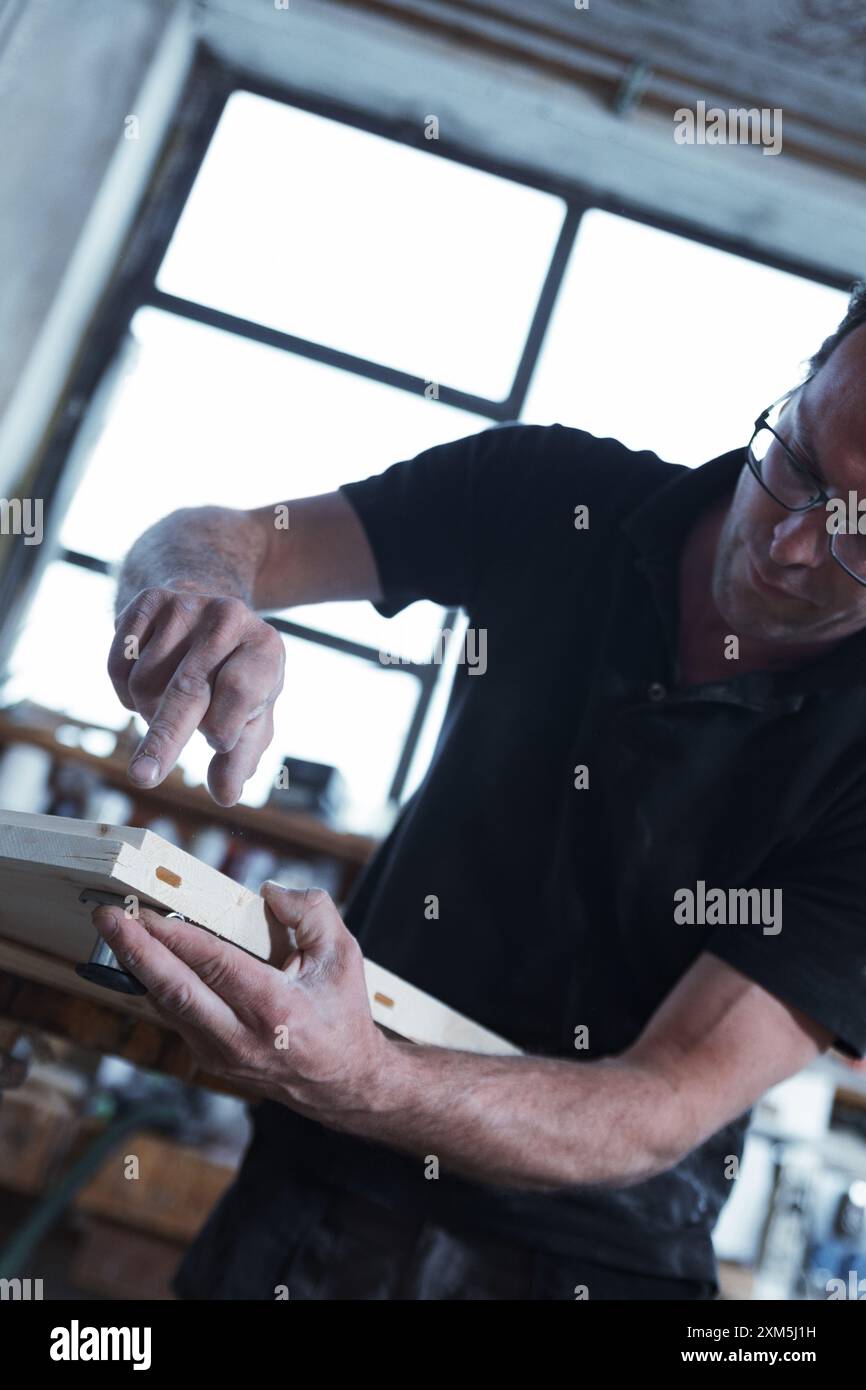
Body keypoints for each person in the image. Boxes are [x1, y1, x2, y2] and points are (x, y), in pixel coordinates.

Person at [94, 284, 866, 1300]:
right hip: (310, 1197)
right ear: (802, 378)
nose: (788, 543)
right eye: (797, 465)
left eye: (859, 530)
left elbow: (659, 1099)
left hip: (588, 1262)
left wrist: (367, 1074)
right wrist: (192, 602)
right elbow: (232, 535)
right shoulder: (550, 493)